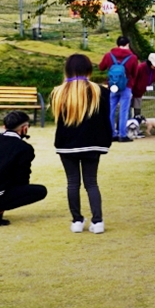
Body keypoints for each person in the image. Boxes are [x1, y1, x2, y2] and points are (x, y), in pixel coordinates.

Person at [51, 54, 113, 233]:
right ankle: (98, 221)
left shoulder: (58, 92)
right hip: (93, 144)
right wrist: (107, 141)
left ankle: (77, 221)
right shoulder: (100, 91)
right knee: (91, 183)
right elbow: (105, 120)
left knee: (72, 183)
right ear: (88, 69)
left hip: (66, 144)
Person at [98, 36, 140, 142]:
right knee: (124, 110)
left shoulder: (109, 55)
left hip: (112, 86)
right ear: (127, 44)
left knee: (111, 110)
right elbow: (135, 73)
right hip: (126, 86)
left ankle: (111, 134)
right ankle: (122, 134)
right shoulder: (133, 57)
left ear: (117, 44)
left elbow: (101, 67)